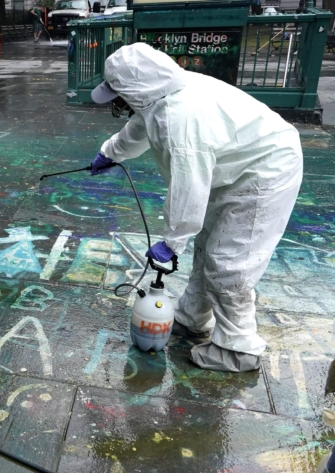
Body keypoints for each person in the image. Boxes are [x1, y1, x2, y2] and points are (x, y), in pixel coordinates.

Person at [89, 42, 302, 373]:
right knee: (208, 249)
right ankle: (191, 319)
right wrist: (111, 152)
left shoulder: (182, 119)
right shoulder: (159, 95)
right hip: (235, 166)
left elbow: (189, 189)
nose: (116, 101)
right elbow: (140, 125)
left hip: (266, 169)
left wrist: (171, 242)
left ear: (136, 90)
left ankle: (238, 349)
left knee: (231, 263)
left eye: (118, 94)